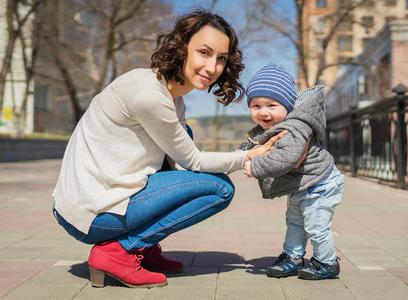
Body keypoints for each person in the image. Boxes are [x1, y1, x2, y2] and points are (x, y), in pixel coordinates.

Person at [51, 10, 283, 289]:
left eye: (221, 58)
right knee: (220, 189)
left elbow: (179, 159)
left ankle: (144, 249)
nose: (212, 67)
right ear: (181, 46)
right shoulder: (149, 95)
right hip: (91, 213)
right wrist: (247, 156)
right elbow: (193, 159)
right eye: (204, 52)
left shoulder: (171, 95)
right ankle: (118, 251)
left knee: (189, 144)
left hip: (96, 201)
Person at [241, 64, 345, 280]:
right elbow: (255, 146)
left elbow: (288, 157)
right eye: (256, 105)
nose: (263, 112)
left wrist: (256, 167)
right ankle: (293, 256)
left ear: (287, 106)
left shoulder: (296, 127)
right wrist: (241, 155)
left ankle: (327, 262)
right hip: (302, 186)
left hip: (320, 184)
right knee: (295, 222)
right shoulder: (272, 128)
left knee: (316, 226)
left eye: (271, 105)